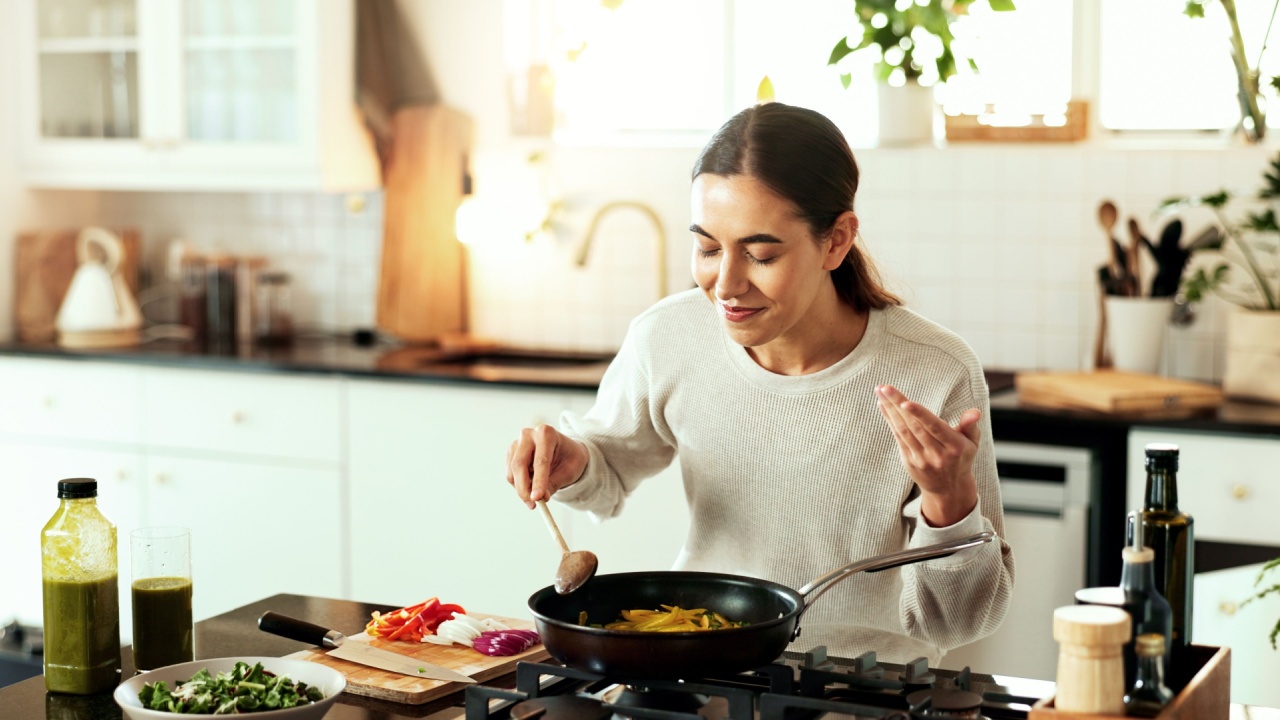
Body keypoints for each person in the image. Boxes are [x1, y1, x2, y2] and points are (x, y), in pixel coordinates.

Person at [506, 101, 1014, 664]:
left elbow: (962, 622)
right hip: (699, 666)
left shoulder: (936, 371)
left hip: (869, 685)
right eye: (706, 247)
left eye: (761, 254)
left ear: (836, 241)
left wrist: (950, 501)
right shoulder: (669, 337)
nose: (725, 283)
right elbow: (605, 473)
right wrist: (572, 462)